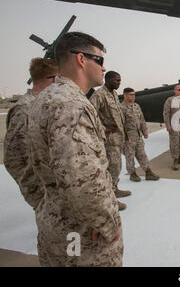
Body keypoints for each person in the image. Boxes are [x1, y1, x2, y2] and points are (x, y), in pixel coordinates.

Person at [27, 32, 123, 266]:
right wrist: (106, 224)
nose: (103, 68)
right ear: (81, 59)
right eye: (99, 60)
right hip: (82, 234)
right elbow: (82, 178)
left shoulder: (45, 98)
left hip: (55, 223)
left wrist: (43, 205)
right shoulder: (72, 105)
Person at [4, 57, 57, 209]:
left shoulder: (43, 104)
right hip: (43, 191)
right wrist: (36, 192)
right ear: (54, 80)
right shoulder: (25, 109)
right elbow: (13, 158)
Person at [90, 71, 130, 210]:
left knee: (116, 166)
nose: (119, 83)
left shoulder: (113, 94)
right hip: (109, 140)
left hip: (118, 138)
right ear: (108, 80)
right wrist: (103, 129)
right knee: (112, 167)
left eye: (120, 80)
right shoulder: (99, 95)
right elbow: (89, 115)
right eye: (116, 80)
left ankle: (114, 189)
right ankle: (110, 199)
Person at [120, 87, 160, 182]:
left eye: (134, 94)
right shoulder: (121, 108)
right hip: (128, 137)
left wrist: (145, 132)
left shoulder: (136, 106)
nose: (133, 96)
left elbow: (142, 120)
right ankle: (132, 174)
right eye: (131, 94)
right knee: (130, 156)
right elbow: (120, 125)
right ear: (125, 95)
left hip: (138, 136)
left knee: (142, 155)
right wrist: (125, 138)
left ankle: (148, 172)